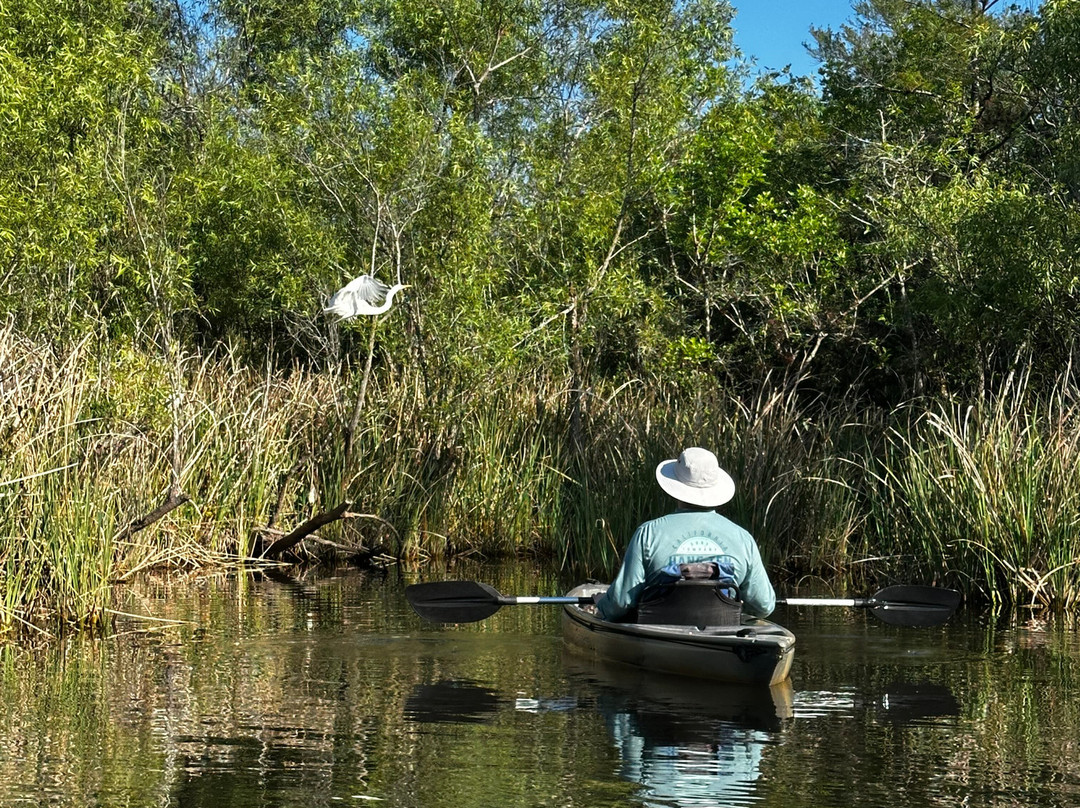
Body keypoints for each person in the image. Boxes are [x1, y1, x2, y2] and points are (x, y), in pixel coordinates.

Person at [595, 447, 775, 622]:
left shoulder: (647, 533)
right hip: (724, 630)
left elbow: (620, 603)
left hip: (658, 629)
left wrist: (601, 604)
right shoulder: (743, 539)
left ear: (676, 486)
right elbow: (764, 606)